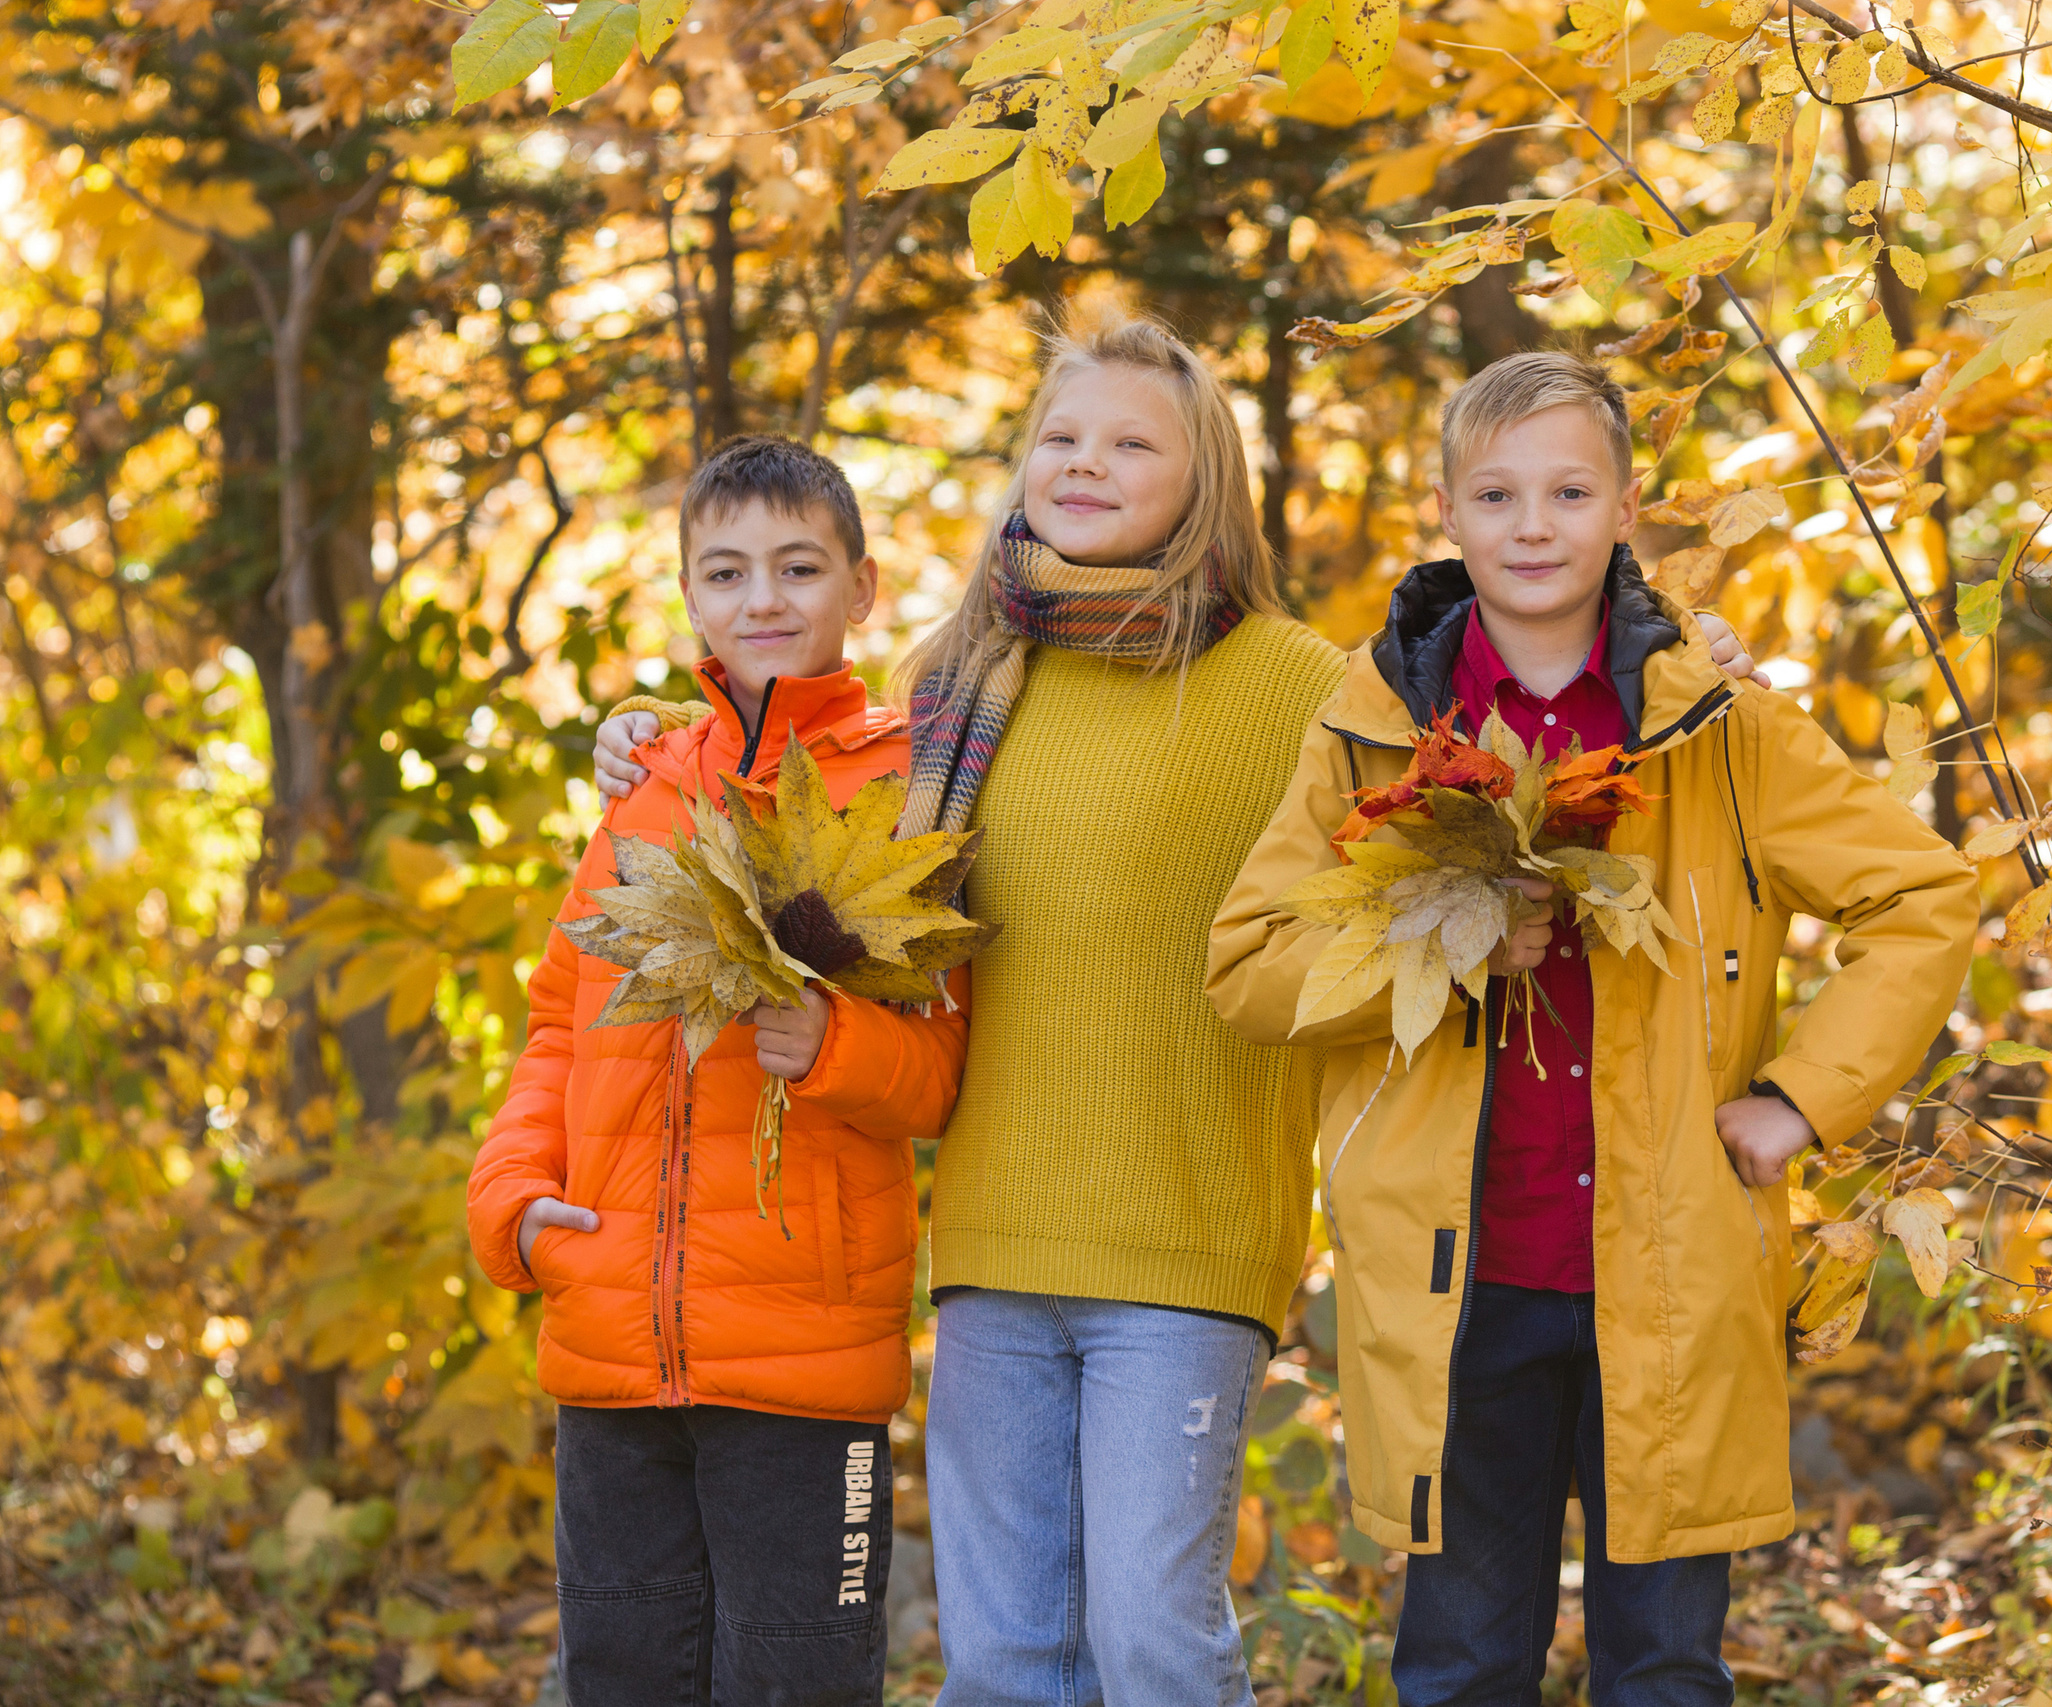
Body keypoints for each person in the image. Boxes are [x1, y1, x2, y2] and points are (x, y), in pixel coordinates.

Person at [587, 321, 1766, 1706]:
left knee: (1152, 1639)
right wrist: (649, 725)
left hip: (1190, 1235)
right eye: (1062, 436)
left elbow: (1521, 734)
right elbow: (799, 767)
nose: (1085, 461)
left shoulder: (1297, 679)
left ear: (1202, 473)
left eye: (1130, 440)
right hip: (992, 1225)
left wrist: (1682, 658)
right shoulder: (954, 674)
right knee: (1004, 1656)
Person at [1206, 352, 1977, 1705]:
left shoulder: (1718, 725)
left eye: (1570, 489)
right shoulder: (1377, 723)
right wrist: (1436, 951)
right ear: (1447, 510)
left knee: (1666, 1664)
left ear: (1626, 507)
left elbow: (1923, 897)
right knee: (1457, 1658)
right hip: (1465, 1278)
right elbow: (1250, 966)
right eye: (1498, 493)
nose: (1534, 523)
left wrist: (1799, 1099)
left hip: (1669, 1267)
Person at [468, 435, 968, 1707]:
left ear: (861, 588)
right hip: (611, 1335)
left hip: (804, 1359)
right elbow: (559, 1024)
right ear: (690, 594)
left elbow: (945, 1073)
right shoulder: (645, 790)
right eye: (728, 572)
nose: (764, 601)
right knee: (626, 1672)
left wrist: (838, 1046)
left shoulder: (908, 795)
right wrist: (514, 1208)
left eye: (799, 568)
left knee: (797, 1680)